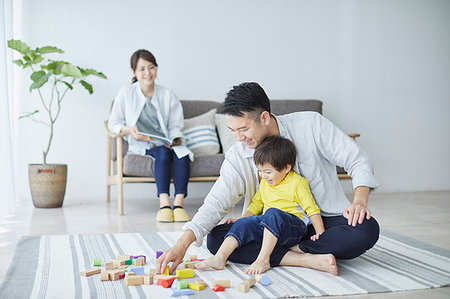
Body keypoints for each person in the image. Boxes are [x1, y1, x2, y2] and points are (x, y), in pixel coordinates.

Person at [157, 82, 379, 275]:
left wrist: (359, 201)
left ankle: (283, 252)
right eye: (232, 130)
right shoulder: (238, 154)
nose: (238, 138)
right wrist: (181, 246)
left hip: (322, 221)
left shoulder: (310, 125)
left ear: (264, 117)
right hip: (272, 225)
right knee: (217, 239)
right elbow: (216, 202)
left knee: (366, 230)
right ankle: (303, 258)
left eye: (243, 129)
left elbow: (356, 159)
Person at [196, 135, 326, 275]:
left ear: (287, 168)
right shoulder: (265, 182)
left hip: (293, 227)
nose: (263, 176)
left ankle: (263, 259)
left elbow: (312, 209)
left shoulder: (297, 183)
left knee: (272, 213)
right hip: (269, 224)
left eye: (268, 172)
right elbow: (256, 203)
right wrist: (242, 219)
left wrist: (320, 233)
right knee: (244, 223)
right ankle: (219, 258)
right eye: (260, 171)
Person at [108, 49, 191, 223]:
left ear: (156, 68)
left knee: (182, 154)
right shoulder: (125, 93)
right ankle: (164, 205)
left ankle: (178, 205)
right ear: (134, 72)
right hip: (143, 146)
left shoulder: (168, 95)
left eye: (151, 67)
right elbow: (113, 124)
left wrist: (174, 140)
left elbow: (176, 125)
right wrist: (130, 130)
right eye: (142, 69)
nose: (148, 73)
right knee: (162, 153)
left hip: (167, 143)